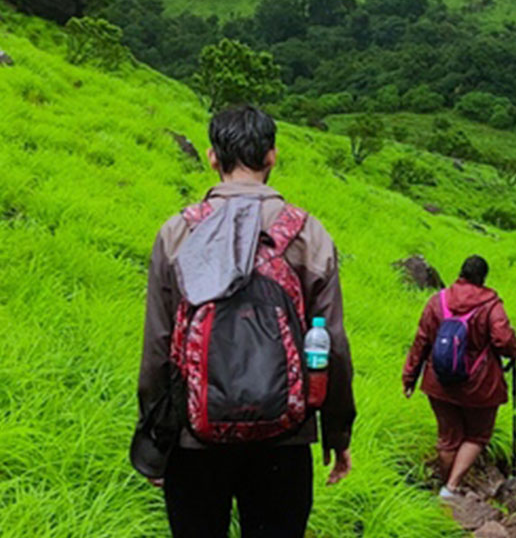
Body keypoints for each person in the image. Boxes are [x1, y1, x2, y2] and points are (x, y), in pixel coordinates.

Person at [137, 105, 355, 537]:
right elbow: (331, 346)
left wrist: (155, 442)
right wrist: (336, 431)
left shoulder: (178, 233)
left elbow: (158, 348)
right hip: (285, 438)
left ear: (211, 157)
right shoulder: (308, 234)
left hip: (193, 438)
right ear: (272, 156)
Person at [403, 255, 516, 498]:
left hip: (439, 382)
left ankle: (445, 487)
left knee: (448, 437)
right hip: (480, 386)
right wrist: (515, 351)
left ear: (460, 273)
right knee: (477, 435)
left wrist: (409, 377)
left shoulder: (437, 301)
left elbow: (421, 341)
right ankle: (452, 487)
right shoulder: (491, 305)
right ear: (482, 278)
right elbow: (503, 340)